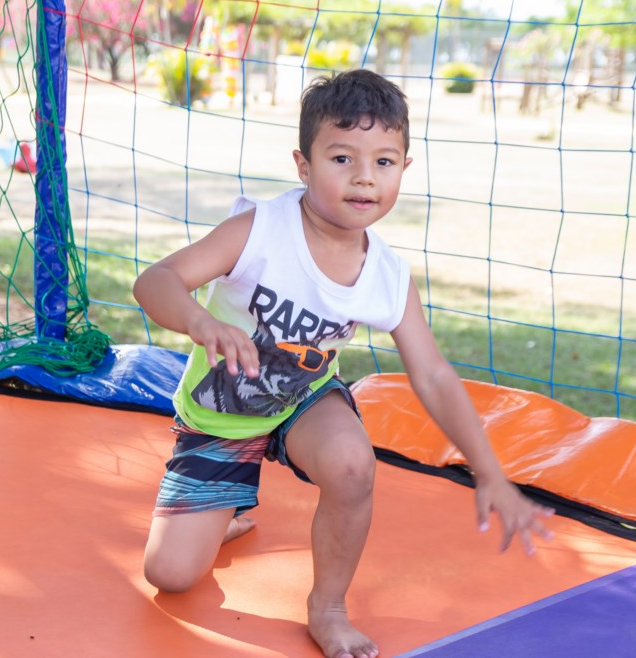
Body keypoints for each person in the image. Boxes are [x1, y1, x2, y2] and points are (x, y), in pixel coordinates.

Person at [133, 68, 553, 658]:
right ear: (303, 165)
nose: (364, 177)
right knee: (171, 576)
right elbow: (155, 281)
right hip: (223, 413)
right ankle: (223, 512)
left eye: (384, 161)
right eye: (341, 158)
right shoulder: (259, 230)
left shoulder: (387, 275)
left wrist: (490, 473)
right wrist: (200, 322)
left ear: (404, 168)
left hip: (302, 399)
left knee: (353, 466)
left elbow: (433, 374)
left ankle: (327, 607)